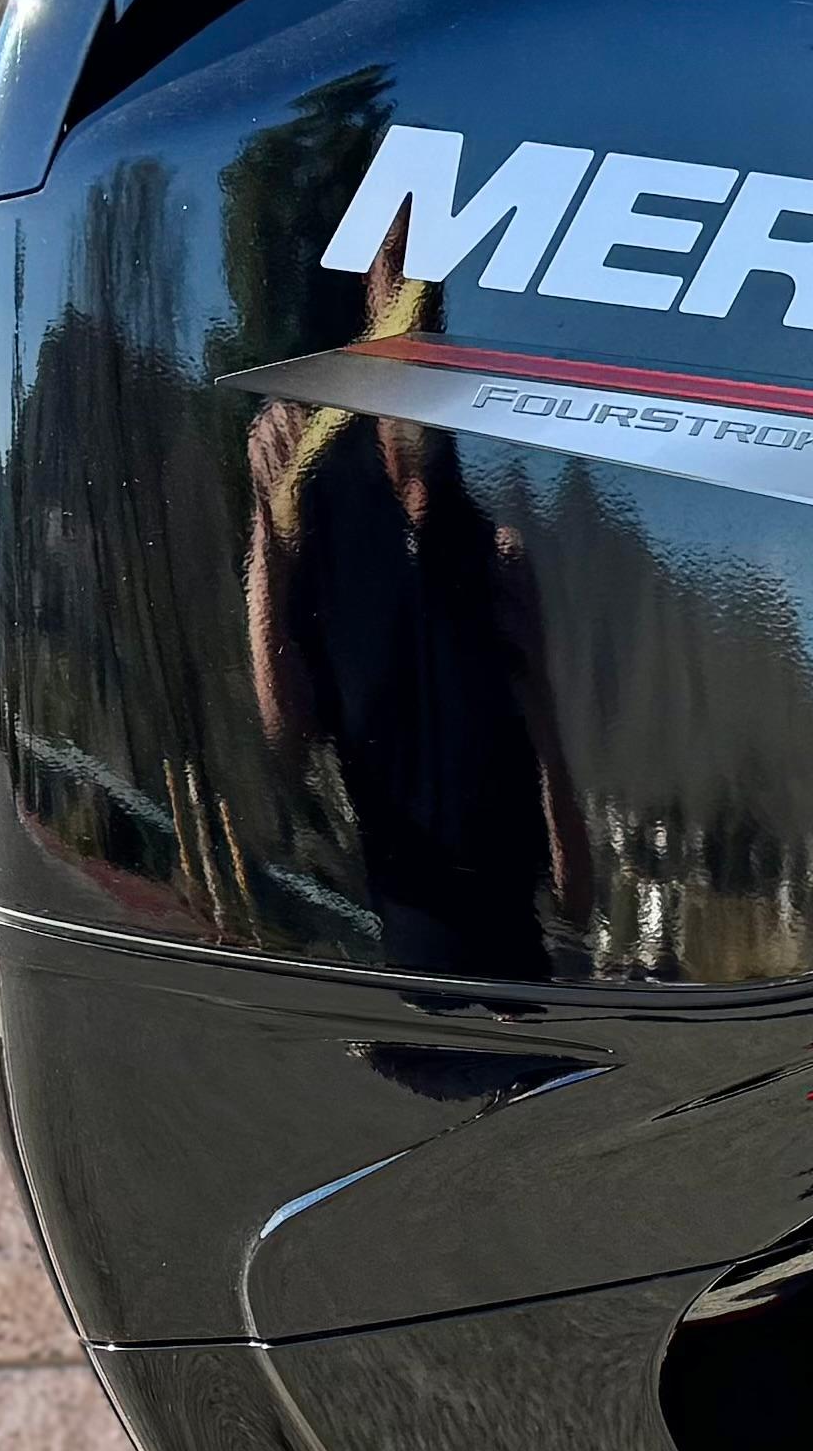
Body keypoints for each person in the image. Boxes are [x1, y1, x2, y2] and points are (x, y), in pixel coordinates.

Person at [242, 251, 594, 979]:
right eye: (397, 268)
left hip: (521, 992)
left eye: (434, 278)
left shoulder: (503, 549)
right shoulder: (326, 528)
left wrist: (537, 688)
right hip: (385, 983)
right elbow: (284, 740)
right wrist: (268, 533)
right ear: (369, 299)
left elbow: (576, 895)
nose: (420, 301)